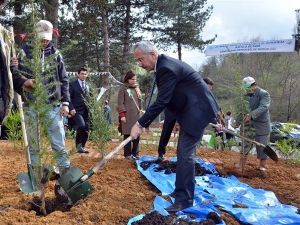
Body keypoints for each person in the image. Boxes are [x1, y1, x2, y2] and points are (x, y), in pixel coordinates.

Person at [130, 41, 220, 213]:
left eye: (141, 59)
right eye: (137, 61)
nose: (139, 64)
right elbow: (173, 96)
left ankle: (184, 200)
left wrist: (140, 123)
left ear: (153, 55)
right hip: (190, 112)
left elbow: (162, 100)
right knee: (182, 153)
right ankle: (181, 192)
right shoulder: (163, 66)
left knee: (185, 155)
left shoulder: (166, 68)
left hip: (197, 112)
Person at [19, 20, 70, 178]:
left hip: (52, 106)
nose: (45, 41)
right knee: (33, 145)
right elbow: (15, 74)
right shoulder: (24, 52)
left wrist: (65, 103)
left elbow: (64, 80)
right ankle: (36, 178)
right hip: (31, 105)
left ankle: (66, 179)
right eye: (42, 38)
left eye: (47, 38)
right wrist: (23, 79)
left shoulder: (56, 55)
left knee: (58, 144)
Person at [238, 76, 271, 171]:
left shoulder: (264, 94)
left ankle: (262, 167)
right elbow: (242, 110)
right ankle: (241, 166)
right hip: (249, 125)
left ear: (254, 85)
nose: (247, 90)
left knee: (262, 147)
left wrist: (251, 115)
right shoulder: (245, 95)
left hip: (261, 125)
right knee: (245, 146)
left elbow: (264, 107)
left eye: (248, 87)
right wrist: (237, 120)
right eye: (246, 88)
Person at [117, 70, 143, 160]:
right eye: (132, 79)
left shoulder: (137, 88)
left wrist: (141, 110)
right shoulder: (123, 88)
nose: (134, 81)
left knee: (137, 134)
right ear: (127, 79)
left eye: (135, 79)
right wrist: (122, 115)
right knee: (127, 134)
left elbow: (140, 101)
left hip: (136, 115)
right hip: (127, 116)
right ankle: (127, 154)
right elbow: (120, 103)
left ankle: (135, 153)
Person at [69, 67, 91, 153]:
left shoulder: (88, 85)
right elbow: (69, 97)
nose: (84, 75)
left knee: (87, 129)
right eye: (82, 73)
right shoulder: (72, 84)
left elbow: (90, 98)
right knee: (81, 126)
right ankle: (78, 146)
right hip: (76, 110)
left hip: (86, 111)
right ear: (78, 74)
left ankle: (82, 147)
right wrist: (71, 108)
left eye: (85, 74)